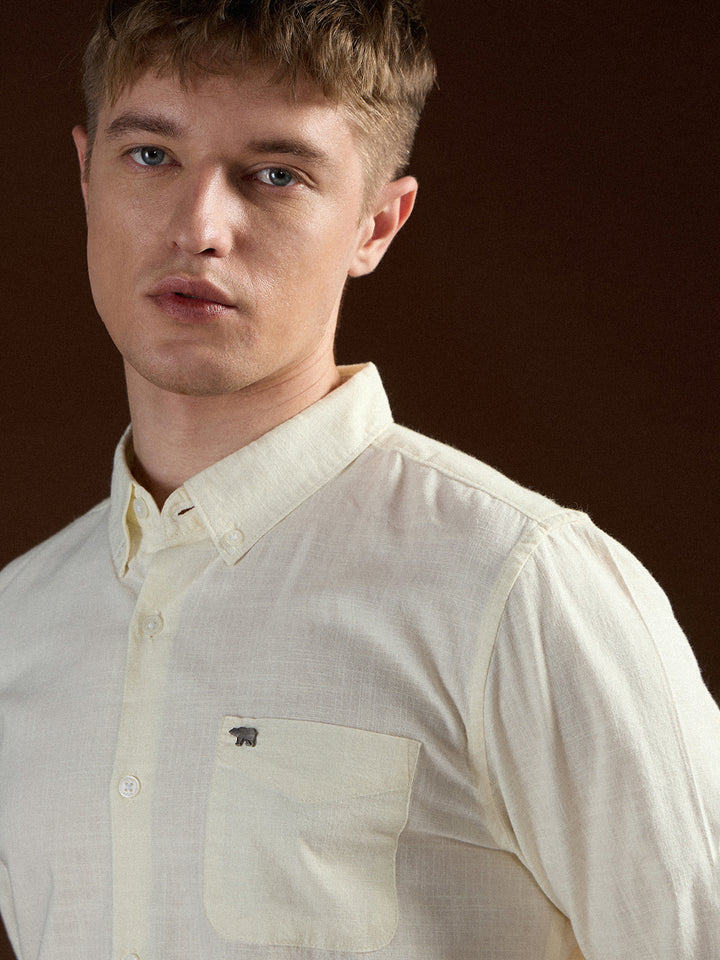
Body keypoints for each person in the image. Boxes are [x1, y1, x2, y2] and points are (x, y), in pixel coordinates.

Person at [0, 0, 718, 958]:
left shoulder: (517, 588)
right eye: (151, 156)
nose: (198, 227)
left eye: (275, 174)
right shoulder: (19, 623)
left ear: (376, 223)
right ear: (87, 176)